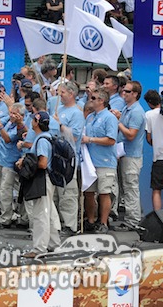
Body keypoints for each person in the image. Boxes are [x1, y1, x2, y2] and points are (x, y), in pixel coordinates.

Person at [18, 111, 61, 258]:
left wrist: (25, 163)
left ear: (36, 123)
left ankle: (39, 249)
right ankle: (54, 244)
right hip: (48, 178)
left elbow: (42, 163)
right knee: (48, 212)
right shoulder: (47, 137)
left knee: (41, 214)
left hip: (42, 178)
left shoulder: (41, 140)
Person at [83, 90, 118, 233]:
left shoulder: (110, 118)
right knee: (89, 193)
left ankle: (103, 222)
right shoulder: (90, 117)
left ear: (102, 101)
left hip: (105, 161)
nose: (91, 100)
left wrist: (91, 139)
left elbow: (111, 140)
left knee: (104, 192)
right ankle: (91, 220)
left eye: (93, 98)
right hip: (90, 162)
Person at [52, 81, 85, 235]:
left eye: (63, 92)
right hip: (55, 156)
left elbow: (76, 135)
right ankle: (56, 223)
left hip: (68, 158)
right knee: (56, 193)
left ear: (71, 94)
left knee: (68, 193)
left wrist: (61, 126)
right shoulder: (58, 109)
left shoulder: (77, 113)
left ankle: (70, 226)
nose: (60, 95)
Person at [112, 80, 145, 231]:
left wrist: (118, 122)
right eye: (123, 91)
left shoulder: (137, 112)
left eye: (127, 91)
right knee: (127, 187)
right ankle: (131, 219)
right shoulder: (127, 109)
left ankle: (133, 221)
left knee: (131, 188)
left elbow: (131, 135)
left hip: (131, 156)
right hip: (125, 154)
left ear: (135, 94)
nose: (123, 93)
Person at [0, 103, 26, 229]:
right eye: (10, 112)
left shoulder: (21, 127)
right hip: (1, 159)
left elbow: (7, 139)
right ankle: (9, 214)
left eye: (14, 113)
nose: (11, 115)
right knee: (2, 190)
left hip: (11, 162)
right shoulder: (10, 122)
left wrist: (0, 125)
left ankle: (6, 218)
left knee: (6, 190)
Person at [145, 90, 163, 211]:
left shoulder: (150, 115)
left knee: (156, 190)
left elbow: (149, 138)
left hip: (159, 157)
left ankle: (158, 219)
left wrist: (156, 144)